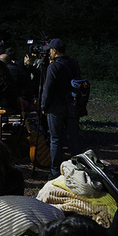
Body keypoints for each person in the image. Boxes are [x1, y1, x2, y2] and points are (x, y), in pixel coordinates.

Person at [40, 38, 83, 167]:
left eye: (50, 50)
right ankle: (76, 166)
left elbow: (48, 89)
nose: (49, 53)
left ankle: (55, 169)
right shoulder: (74, 63)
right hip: (72, 104)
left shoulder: (54, 67)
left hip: (56, 107)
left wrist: (44, 106)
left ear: (54, 51)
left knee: (56, 139)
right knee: (74, 138)